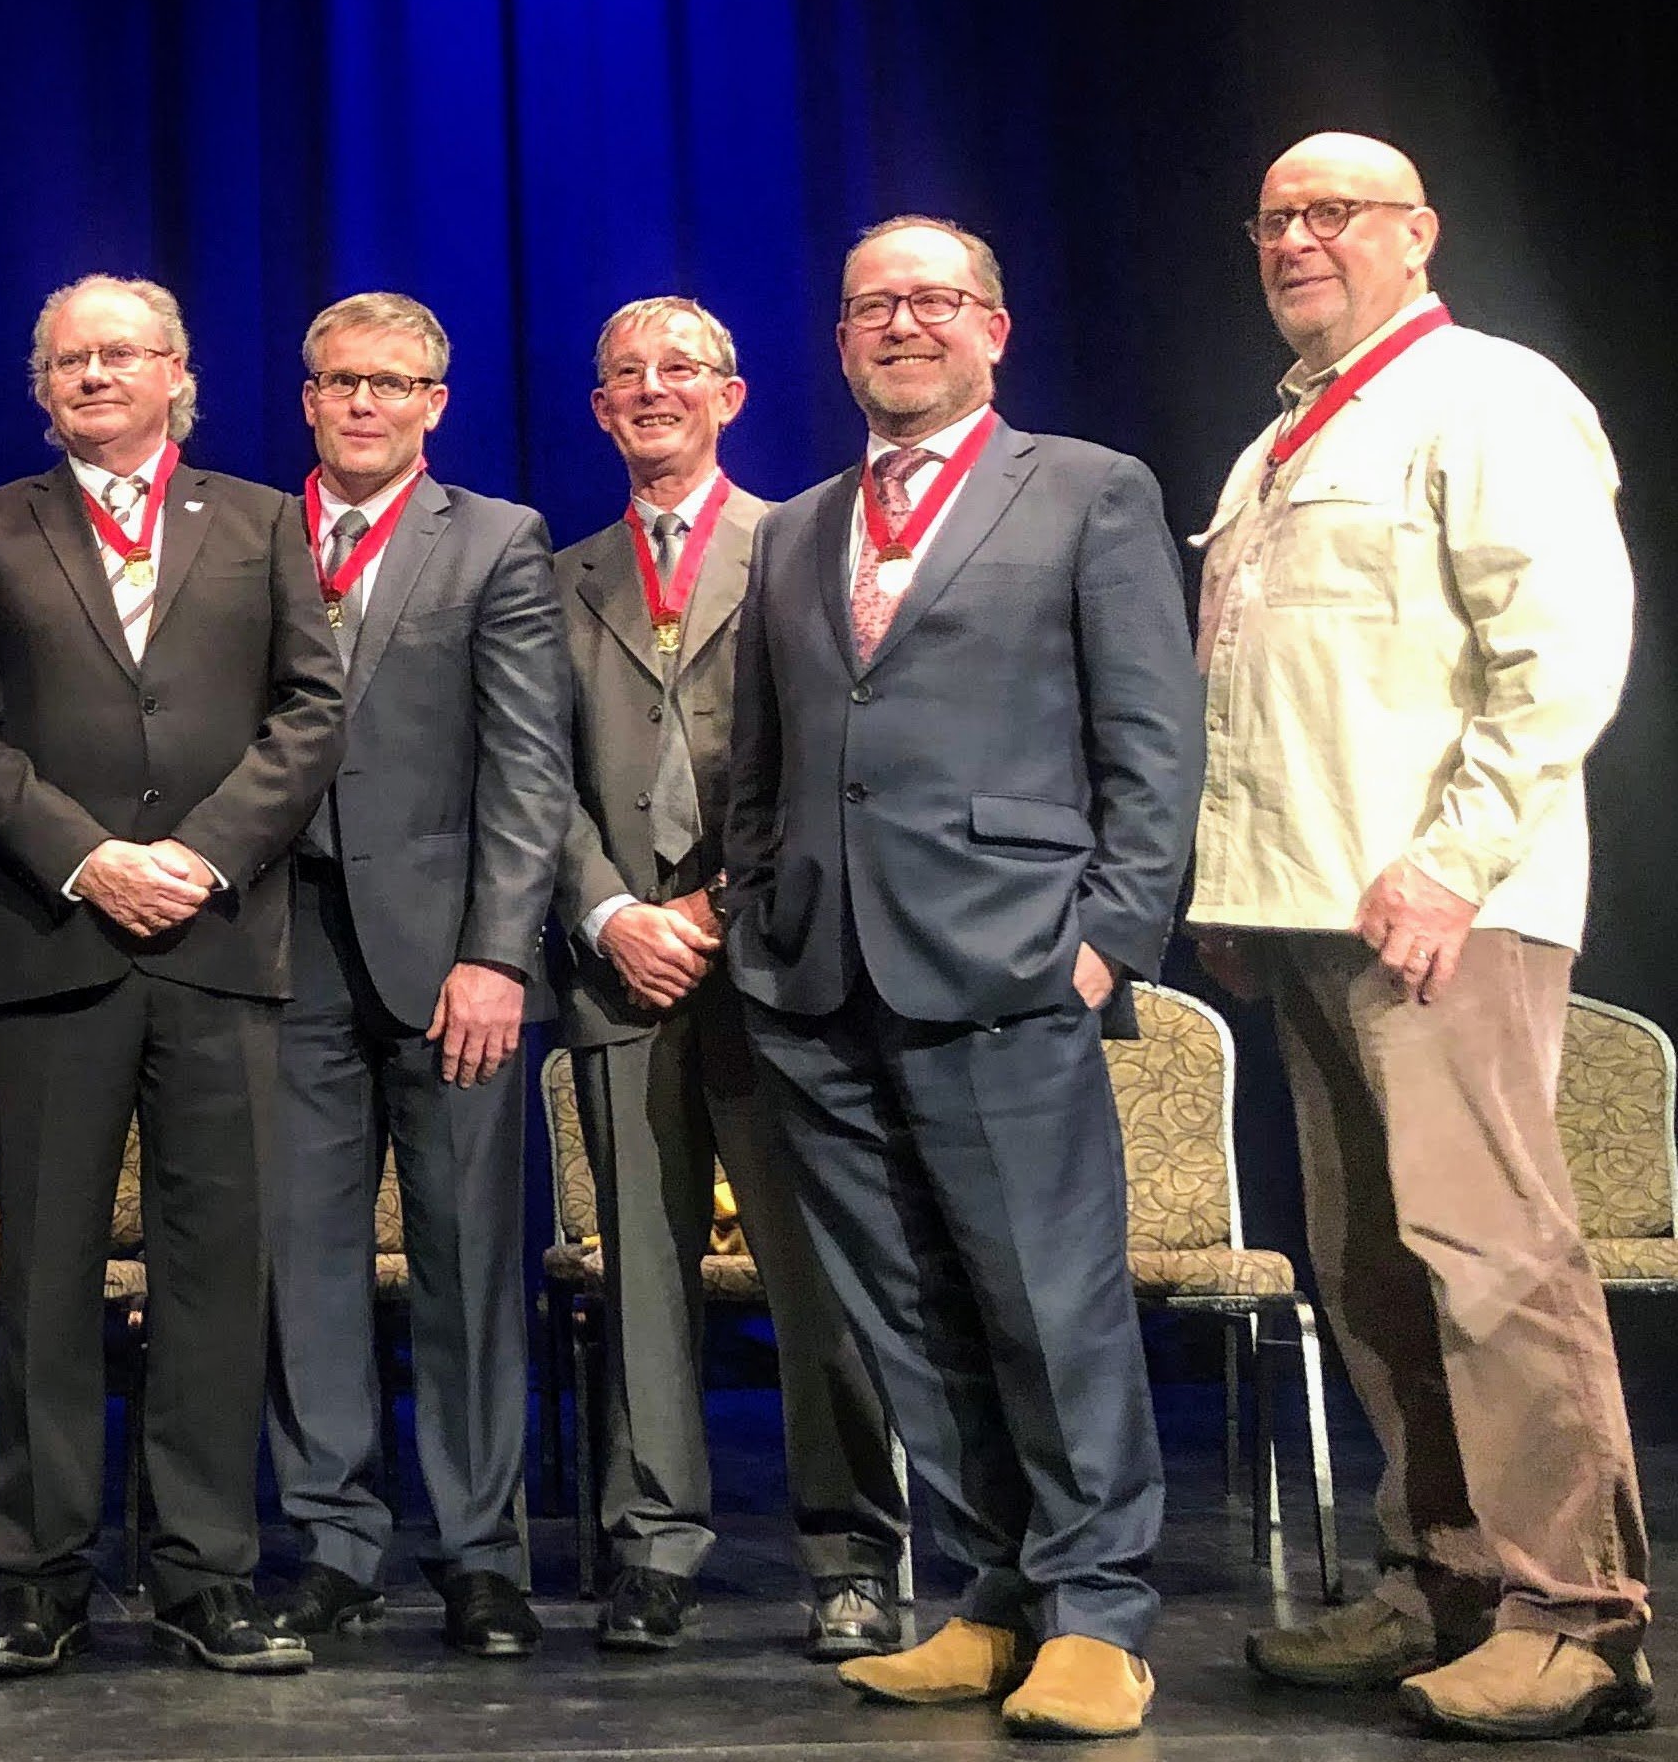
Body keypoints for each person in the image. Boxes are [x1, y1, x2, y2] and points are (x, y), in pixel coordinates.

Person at [1191, 132, 1649, 1742]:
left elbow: (1563, 654)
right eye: (1274, 218)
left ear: (1417, 233)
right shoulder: (1279, 443)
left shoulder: (1491, 394)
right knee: (1373, 1268)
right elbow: (1267, 689)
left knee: (1492, 1257)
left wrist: (1452, 866)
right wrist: (1234, 890)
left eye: (1333, 212)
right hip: (1311, 910)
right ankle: (1445, 1577)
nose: (1298, 237)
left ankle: (1577, 1615)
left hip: (1442, 913)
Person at [724, 217, 1200, 1738]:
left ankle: (1099, 1616)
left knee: (1045, 1307)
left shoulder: (1086, 490)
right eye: (873, 306)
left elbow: (1153, 739)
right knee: (906, 1313)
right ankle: (994, 1599)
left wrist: (1110, 937)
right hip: (818, 976)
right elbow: (765, 760)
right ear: (841, 339)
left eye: (934, 301)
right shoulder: (796, 526)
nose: (902, 325)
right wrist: (754, 922)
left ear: (997, 325)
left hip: (1007, 963)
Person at [0, 274, 344, 1678]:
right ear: (40, 387)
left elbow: (313, 710)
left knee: (217, 1273)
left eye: (122, 353)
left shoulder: (264, 520)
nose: (95, 374)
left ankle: (201, 1573)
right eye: (69, 359)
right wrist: (91, 857)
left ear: (180, 371)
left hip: (223, 945)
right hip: (56, 943)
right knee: (44, 1273)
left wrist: (204, 855)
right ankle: (39, 1573)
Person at [550, 297, 905, 1659]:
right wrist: (610, 911)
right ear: (599, 408)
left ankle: (848, 1554)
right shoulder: (561, 568)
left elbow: (825, 759)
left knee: (819, 1273)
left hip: (778, 967)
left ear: (733, 395)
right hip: (620, 974)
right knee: (643, 1272)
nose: (652, 389)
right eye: (626, 373)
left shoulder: (807, 545)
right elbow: (534, 778)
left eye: (679, 370)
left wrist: (713, 903)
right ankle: (652, 1548)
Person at [254, 292, 568, 1660]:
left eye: (393, 383)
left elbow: (527, 767)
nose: (364, 404)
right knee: (305, 1260)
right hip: (283, 949)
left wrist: (499, 951)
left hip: (449, 954)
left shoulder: (495, 541)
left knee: (464, 1260)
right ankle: (332, 1541)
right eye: (340, 382)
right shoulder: (254, 536)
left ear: (437, 403)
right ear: (308, 397)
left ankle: (480, 1553)